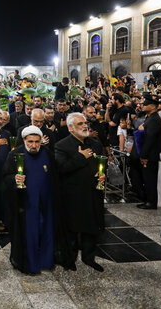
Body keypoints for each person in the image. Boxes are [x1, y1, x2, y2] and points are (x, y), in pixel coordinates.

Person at [3, 126, 60, 274]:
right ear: (24, 140)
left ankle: (46, 261)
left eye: (37, 141)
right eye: (30, 142)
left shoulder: (47, 153)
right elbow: (5, 177)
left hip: (46, 203)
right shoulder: (14, 155)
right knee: (28, 234)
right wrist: (14, 179)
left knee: (46, 230)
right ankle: (29, 263)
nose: (34, 145)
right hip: (25, 204)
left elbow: (54, 176)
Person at [54, 113, 105, 272]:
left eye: (85, 123)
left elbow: (101, 163)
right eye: (80, 124)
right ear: (70, 128)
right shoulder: (62, 146)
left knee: (92, 226)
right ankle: (69, 259)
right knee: (71, 229)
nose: (85, 126)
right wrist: (80, 157)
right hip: (72, 195)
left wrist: (103, 175)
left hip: (93, 193)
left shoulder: (95, 143)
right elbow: (60, 169)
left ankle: (89, 258)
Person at [130, 95, 161, 209]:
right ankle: (146, 199)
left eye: (145, 105)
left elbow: (150, 139)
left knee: (150, 179)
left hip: (150, 156)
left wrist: (144, 155)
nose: (142, 106)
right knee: (145, 178)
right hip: (146, 154)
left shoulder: (154, 119)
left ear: (153, 107)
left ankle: (151, 202)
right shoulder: (149, 118)